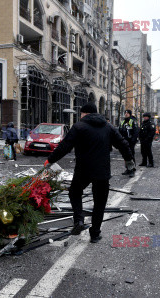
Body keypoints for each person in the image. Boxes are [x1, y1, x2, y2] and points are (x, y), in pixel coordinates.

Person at [44, 103, 134, 242]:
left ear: (85, 113)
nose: (80, 116)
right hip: (102, 171)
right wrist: (129, 161)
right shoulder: (108, 127)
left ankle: (79, 220)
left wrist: (50, 160)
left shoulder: (79, 127)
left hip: (83, 170)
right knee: (100, 202)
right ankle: (95, 234)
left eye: (81, 114)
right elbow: (123, 144)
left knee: (75, 192)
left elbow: (65, 146)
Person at [118, 110, 138, 177]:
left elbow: (135, 132)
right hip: (124, 142)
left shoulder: (132, 121)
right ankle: (128, 168)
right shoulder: (122, 122)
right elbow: (119, 131)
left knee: (130, 155)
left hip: (130, 142)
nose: (126, 114)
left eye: (127, 113)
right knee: (125, 155)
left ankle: (132, 169)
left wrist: (133, 140)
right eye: (125, 113)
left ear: (130, 114)